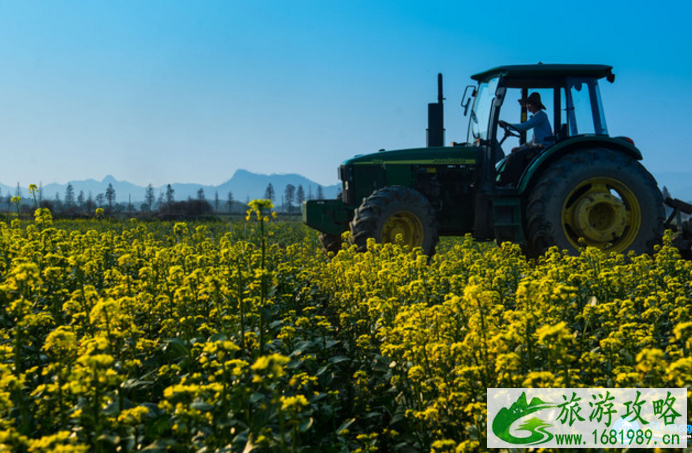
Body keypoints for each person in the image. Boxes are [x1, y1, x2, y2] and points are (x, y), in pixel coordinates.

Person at [497, 92, 552, 184]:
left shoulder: (541, 115)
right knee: (511, 156)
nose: (527, 106)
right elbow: (533, 141)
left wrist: (507, 125)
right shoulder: (537, 117)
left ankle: (512, 183)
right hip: (537, 147)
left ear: (535, 104)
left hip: (543, 148)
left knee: (517, 156)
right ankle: (504, 182)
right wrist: (520, 147)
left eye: (529, 104)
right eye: (526, 104)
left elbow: (524, 126)